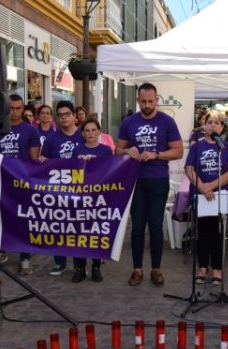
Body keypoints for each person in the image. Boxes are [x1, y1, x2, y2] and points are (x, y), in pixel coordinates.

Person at [116, 82, 184, 286]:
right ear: (138, 100)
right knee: (137, 227)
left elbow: (179, 151)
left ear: (157, 100)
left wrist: (156, 154)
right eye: (143, 101)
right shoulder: (129, 122)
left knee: (155, 226)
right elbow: (117, 150)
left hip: (158, 180)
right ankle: (137, 269)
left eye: (150, 101)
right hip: (135, 180)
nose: (147, 105)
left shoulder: (167, 122)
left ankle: (156, 269)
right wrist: (128, 151)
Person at [185, 110, 228, 284]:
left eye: (217, 123)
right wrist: (202, 187)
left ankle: (217, 270)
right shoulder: (196, 147)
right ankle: (202, 268)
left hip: (219, 197)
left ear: (222, 127)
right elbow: (189, 169)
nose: (213, 125)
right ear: (203, 126)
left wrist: (211, 187)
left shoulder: (226, 148)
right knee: (202, 233)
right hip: (201, 196)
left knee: (217, 233)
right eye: (210, 122)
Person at [0, 94, 40, 274]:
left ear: (23, 109)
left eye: (19, 108)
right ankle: (1, 251)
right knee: (1, 218)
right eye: (11, 108)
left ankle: (25, 258)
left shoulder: (30, 131)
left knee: (24, 220)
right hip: (1, 180)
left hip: (22, 183)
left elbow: (33, 159)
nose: (15, 112)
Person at [40, 100, 86, 275]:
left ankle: (79, 263)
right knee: (58, 225)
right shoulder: (52, 139)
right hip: (58, 190)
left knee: (78, 226)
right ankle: (59, 261)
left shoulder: (84, 135)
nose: (64, 118)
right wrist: (43, 161)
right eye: (60, 115)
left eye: (67, 114)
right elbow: (42, 163)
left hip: (81, 188)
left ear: (74, 116)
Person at [71, 117, 113, 283]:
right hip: (80, 196)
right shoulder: (77, 149)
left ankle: (96, 266)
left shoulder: (105, 150)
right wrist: (79, 163)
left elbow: (111, 171)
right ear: (82, 133)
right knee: (79, 232)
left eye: (93, 130)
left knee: (96, 232)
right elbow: (71, 174)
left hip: (98, 197)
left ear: (99, 132)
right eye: (87, 130)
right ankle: (80, 267)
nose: (90, 133)